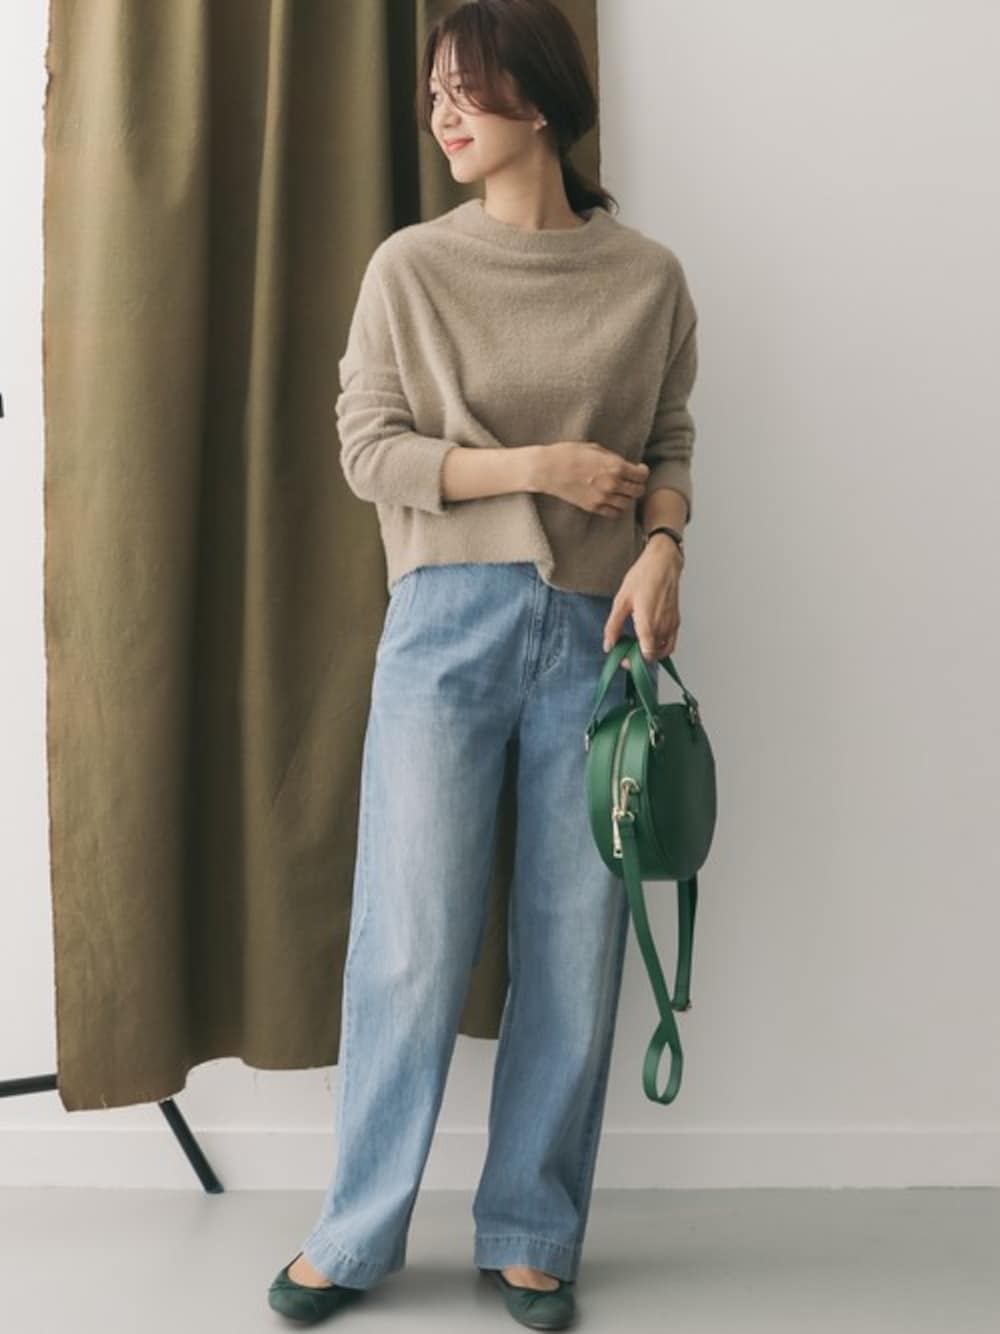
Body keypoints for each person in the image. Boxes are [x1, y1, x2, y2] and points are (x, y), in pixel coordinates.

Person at [268, 0, 697, 1326]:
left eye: (469, 89)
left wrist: (664, 549)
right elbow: (369, 451)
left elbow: (670, 441)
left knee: (575, 945)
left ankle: (532, 1228)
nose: (444, 113)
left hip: (598, 636)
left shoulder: (648, 278)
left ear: (543, 100)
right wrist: (538, 468)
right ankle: (356, 1231)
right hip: (444, 624)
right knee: (408, 941)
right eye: (435, 92)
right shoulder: (411, 267)